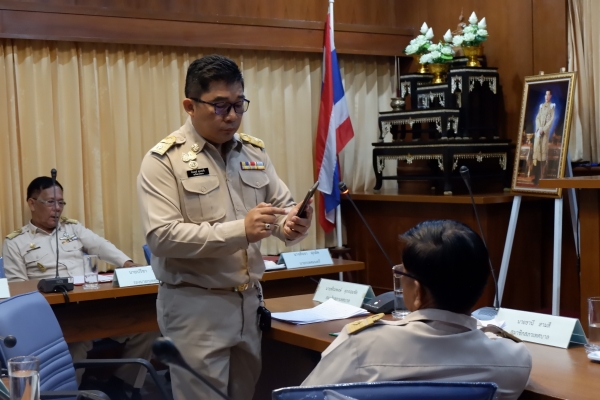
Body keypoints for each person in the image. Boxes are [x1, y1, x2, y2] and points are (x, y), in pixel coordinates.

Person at [137, 54, 313, 400]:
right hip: (195, 308)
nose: (231, 116)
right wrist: (241, 231)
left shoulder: (253, 153)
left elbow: (281, 210)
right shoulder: (164, 161)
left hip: (248, 303)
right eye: (219, 106)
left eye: (238, 104)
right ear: (190, 106)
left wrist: (292, 223)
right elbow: (162, 237)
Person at [302, 220, 532, 400]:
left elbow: (305, 397)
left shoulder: (360, 346)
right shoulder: (514, 360)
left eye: (402, 273)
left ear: (418, 290)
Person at [2, 176, 159, 400]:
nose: (57, 208)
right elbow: (18, 290)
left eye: (61, 202)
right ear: (32, 203)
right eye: (50, 202)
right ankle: (68, 395)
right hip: (54, 316)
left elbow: (101, 246)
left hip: (93, 307)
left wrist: (127, 264)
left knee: (146, 327)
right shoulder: (16, 242)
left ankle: (123, 385)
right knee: (76, 343)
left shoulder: (72, 228)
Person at [532, 90, 555, 184]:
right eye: (546, 94)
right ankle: (536, 177)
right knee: (536, 155)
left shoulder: (552, 106)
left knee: (542, 155)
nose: (546, 96)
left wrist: (544, 129)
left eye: (548, 94)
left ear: (551, 96)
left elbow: (551, 120)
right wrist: (539, 128)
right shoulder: (541, 106)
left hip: (544, 134)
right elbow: (537, 118)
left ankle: (542, 177)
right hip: (539, 132)